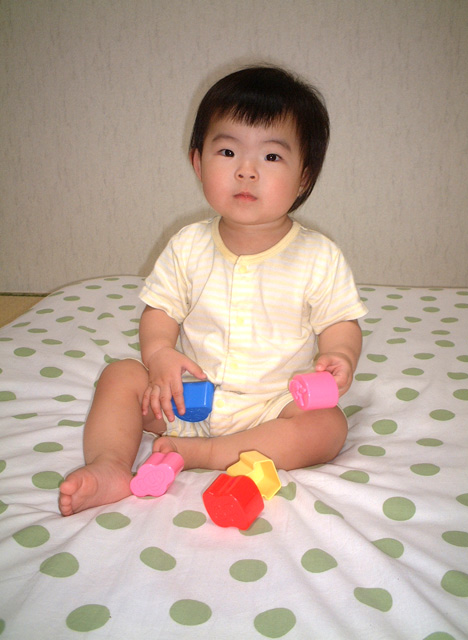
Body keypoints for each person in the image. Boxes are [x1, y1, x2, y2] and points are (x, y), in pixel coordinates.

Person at [59, 65, 367, 516]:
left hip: (274, 405)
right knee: (120, 376)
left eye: (271, 157)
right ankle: (109, 465)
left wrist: (341, 355)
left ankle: (205, 454)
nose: (246, 171)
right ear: (197, 162)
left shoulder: (318, 255)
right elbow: (160, 311)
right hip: (184, 399)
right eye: (227, 151)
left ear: (304, 177)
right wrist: (159, 355)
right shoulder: (188, 245)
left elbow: (341, 322)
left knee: (329, 426)